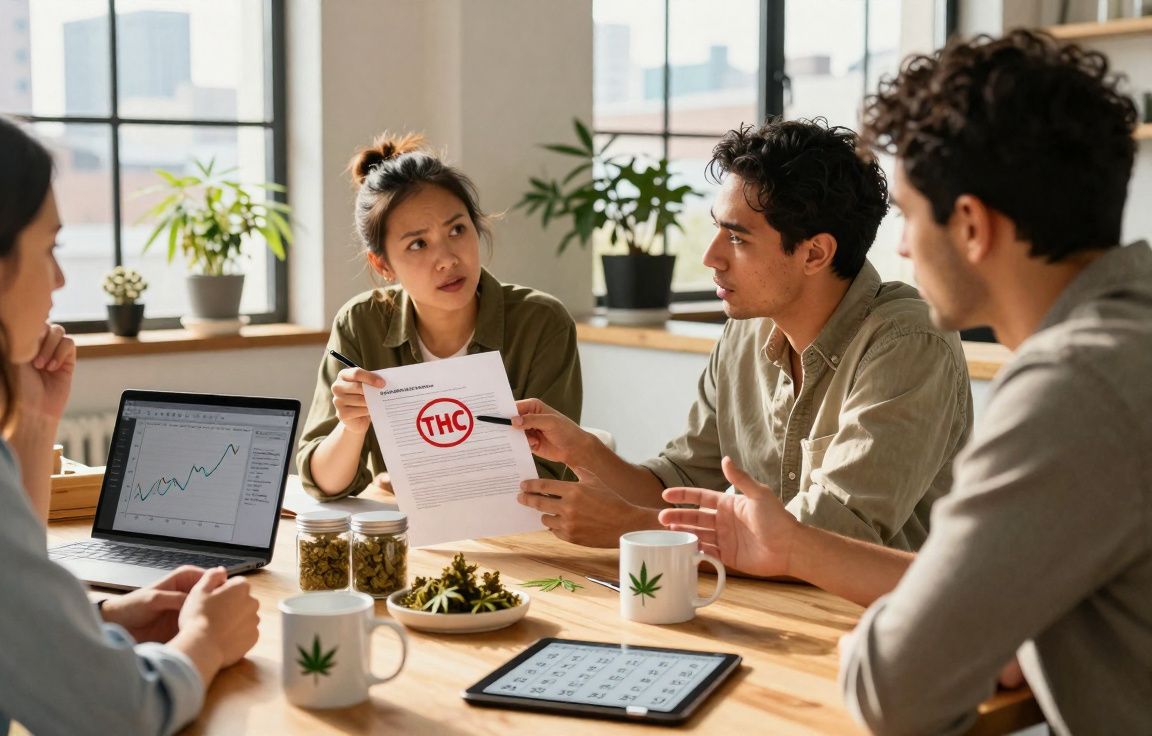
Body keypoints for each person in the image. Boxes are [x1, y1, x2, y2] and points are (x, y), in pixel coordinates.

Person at [660, 30, 1152, 734]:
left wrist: (892, 636)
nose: (900, 246)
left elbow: (898, 690)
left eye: (914, 218)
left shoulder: (1070, 391)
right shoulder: (1128, 345)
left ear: (973, 226)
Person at [0, 97, 260, 735]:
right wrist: (205, 640)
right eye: (49, 248)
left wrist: (99, 623)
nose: (61, 280)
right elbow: (117, 715)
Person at [514, 119, 971, 549]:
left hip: (866, 620)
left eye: (736, 238)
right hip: (750, 605)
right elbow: (680, 484)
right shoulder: (743, 332)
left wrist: (635, 527)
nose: (710, 257)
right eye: (716, 229)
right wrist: (585, 450)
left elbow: (838, 532)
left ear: (815, 253)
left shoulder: (908, 343)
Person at [297, 133, 583, 500]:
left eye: (457, 230)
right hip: (411, 542)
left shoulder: (542, 323)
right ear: (383, 264)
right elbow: (323, 485)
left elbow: (547, 477)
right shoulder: (360, 323)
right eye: (418, 244)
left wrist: (422, 482)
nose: (448, 258)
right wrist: (352, 430)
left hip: (527, 539)